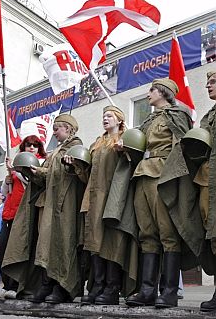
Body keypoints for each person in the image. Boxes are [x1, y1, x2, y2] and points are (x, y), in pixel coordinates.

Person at [125, 78, 202, 309]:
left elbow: (183, 147)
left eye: (151, 90)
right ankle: (147, 290)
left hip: (164, 174)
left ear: (163, 92)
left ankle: (168, 291)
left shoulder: (178, 115)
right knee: (147, 233)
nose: (148, 93)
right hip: (142, 174)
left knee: (167, 233)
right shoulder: (148, 120)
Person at [72, 106, 138, 305]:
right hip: (92, 199)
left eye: (109, 115)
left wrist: (124, 149)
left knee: (112, 243)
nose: (105, 119)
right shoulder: (97, 143)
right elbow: (87, 175)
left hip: (114, 197)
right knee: (94, 244)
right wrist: (76, 165)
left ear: (119, 120)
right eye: (103, 116)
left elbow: (131, 165)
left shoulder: (125, 139)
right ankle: (98, 285)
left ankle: (112, 287)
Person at [29, 114, 86, 304]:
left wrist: (72, 165)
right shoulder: (55, 151)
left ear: (68, 129)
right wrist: (37, 172)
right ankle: (48, 283)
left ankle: (63, 286)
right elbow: (50, 175)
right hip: (51, 202)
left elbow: (82, 173)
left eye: (57, 128)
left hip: (67, 203)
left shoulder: (77, 147)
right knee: (47, 243)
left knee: (64, 241)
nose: (54, 132)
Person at [0, 135, 47, 300]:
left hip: (23, 214)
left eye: (36, 145)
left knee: (17, 249)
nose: (32, 147)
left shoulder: (39, 164)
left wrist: (18, 171)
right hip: (9, 212)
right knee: (2, 247)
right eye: (28, 145)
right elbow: (5, 192)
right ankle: (6, 283)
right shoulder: (17, 166)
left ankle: (15, 285)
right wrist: (8, 178)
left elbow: (32, 184)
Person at [194, 71, 216, 312]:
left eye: (213, 82)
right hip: (208, 176)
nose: (208, 85)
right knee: (212, 233)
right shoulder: (208, 116)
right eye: (207, 81)